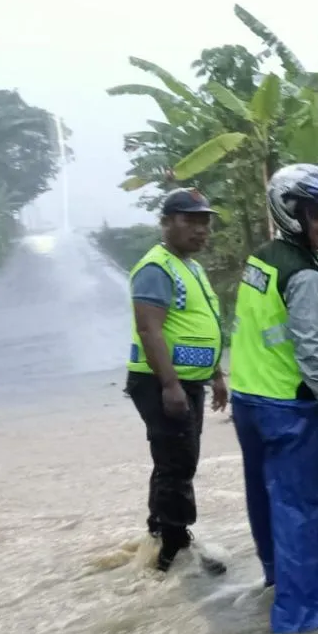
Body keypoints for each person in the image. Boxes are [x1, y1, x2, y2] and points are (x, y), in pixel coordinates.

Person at [228, 163, 318, 634]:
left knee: (265, 500)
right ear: (292, 213)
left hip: (248, 400)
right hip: (286, 406)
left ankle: (276, 584)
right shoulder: (305, 274)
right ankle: (300, 624)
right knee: (300, 512)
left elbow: (258, 329)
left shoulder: (262, 258)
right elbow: (312, 349)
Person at [125, 187, 229, 573]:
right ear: (167, 222)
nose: (201, 229)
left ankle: (160, 537)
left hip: (187, 382)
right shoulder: (156, 268)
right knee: (178, 464)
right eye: (191, 220)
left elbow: (199, 326)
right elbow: (149, 329)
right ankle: (174, 551)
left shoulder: (190, 267)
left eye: (205, 222)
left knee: (175, 461)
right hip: (161, 382)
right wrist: (170, 385)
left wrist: (216, 375)